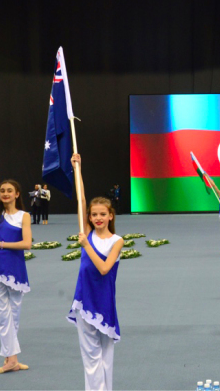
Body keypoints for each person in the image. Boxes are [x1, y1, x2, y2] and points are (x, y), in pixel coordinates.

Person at [67, 154, 124, 391]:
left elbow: (103, 268)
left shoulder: (117, 241)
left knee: (105, 358)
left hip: (104, 303)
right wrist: (77, 168)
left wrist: (86, 245)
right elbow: (81, 199)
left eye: (103, 214)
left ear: (110, 216)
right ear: (89, 217)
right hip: (84, 299)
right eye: (94, 215)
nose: (98, 218)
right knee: (90, 357)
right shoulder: (87, 232)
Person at [0, 148, 32, 374]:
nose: (5, 194)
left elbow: (26, 244)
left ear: (17, 194)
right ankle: (11, 359)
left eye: (10, 191)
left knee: (15, 313)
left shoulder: (24, 216)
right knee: (2, 314)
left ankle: (11, 358)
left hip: (15, 268)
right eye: (3, 190)